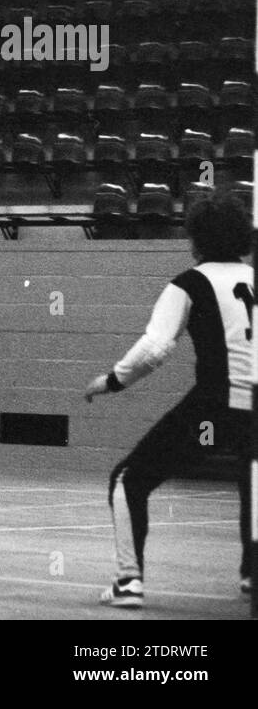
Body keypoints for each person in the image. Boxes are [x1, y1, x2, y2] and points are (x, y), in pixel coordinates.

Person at [84, 190, 254, 607]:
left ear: (196, 236)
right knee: (253, 483)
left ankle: (128, 582)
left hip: (215, 405)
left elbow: (156, 348)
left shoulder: (189, 284)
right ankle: (252, 576)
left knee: (129, 480)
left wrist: (111, 381)